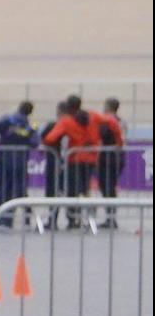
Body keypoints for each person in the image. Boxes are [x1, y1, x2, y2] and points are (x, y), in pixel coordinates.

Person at [45, 94, 101, 225]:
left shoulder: (67, 121)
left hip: (74, 159)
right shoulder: (92, 116)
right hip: (90, 159)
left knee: (72, 190)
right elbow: (111, 122)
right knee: (85, 188)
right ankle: (89, 216)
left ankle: (73, 219)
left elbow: (50, 138)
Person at [0, 101, 39, 215]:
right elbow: (35, 143)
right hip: (20, 161)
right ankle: (27, 217)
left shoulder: (6, 120)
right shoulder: (31, 126)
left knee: (2, 188)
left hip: (3, 159)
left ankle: (0, 215)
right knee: (20, 188)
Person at [92, 97, 126, 227]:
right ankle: (110, 217)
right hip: (117, 157)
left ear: (108, 106)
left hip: (108, 158)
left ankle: (111, 217)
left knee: (107, 187)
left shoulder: (108, 122)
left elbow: (102, 136)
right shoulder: (121, 121)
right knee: (109, 187)